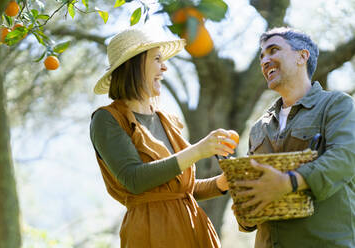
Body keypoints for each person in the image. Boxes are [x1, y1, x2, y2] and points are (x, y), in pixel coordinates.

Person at [89, 26, 237, 248]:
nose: (165, 66)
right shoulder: (107, 119)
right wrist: (198, 150)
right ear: (135, 65)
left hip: (194, 229)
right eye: (157, 59)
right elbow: (135, 180)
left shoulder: (167, 119)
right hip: (151, 234)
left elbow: (178, 190)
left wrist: (220, 183)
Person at [233, 27, 355, 247]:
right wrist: (244, 207)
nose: (265, 60)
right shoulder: (258, 128)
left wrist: (290, 182)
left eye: (273, 50)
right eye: (262, 56)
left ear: (302, 56)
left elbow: (346, 157)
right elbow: (250, 190)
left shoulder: (337, 105)